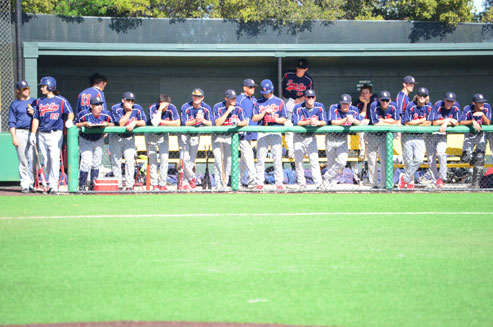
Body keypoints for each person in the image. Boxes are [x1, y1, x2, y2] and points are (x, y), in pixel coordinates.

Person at [31, 76, 74, 194]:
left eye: (43, 86)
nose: (41, 88)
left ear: (50, 86)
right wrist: (33, 134)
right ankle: (50, 183)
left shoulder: (61, 100)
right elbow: (36, 118)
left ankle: (54, 186)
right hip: (42, 133)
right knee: (46, 159)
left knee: (54, 159)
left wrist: (69, 120)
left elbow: (70, 113)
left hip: (55, 133)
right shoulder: (39, 101)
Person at [325, 94, 368, 188]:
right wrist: (345, 119)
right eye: (343, 103)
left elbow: (360, 122)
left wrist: (353, 120)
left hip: (343, 138)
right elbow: (333, 122)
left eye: (346, 104)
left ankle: (326, 177)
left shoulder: (354, 109)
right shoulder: (334, 107)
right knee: (331, 162)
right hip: (331, 136)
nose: (344, 106)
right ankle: (330, 183)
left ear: (350, 103)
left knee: (342, 161)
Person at [252, 79, 287, 190]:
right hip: (262, 131)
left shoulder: (279, 101)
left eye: (267, 92)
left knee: (277, 158)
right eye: (264, 92)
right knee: (260, 158)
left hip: (275, 131)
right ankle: (259, 182)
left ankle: (279, 182)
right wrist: (264, 113)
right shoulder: (258, 102)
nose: (266, 94)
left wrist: (275, 119)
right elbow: (254, 118)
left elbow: (284, 119)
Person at [75, 95, 114, 190]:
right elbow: (75, 124)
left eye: (100, 104)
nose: (99, 106)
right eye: (97, 105)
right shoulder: (84, 114)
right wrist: (85, 124)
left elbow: (113, 124)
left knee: (96, 163)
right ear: (91, 106)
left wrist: (106, 124)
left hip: (99, 139)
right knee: (86, 162)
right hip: (86, 139)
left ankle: (93, 185)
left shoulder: (106, 114)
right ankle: (82, 185)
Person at [110, 92, 147, 191]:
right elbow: (120, 124)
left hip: (129, 138)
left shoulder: (138, 108)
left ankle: (129, 185)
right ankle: (118, 184)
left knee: (130, 161)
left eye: (132, 100)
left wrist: (135, 122)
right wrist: (129, 112)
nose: (130, 102)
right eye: (128, 100)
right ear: (123, 100)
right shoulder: (116, 108)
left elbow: (144, 122)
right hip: (116, 137)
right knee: (116, 161)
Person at [213, 89, 248, 191]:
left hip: (230, 137)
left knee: (228, 162)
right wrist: (228, 111)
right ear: (226, 98)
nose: (233, 100)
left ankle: (224, 184)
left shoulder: (239, 107)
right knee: (219, 160)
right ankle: (218, 185)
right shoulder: (218, 107)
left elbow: (245, 121)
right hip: (218, 137)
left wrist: (239, 123)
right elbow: (218, 123)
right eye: (231, 98)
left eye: (234, 98)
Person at [398, 87, 433, 189]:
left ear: (427, 97)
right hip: (407, 135)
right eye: (420, 95)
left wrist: (416, 124)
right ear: (417, 96)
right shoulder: (410, 105)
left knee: (418, 159)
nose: (422, 97)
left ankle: (404, 178)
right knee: (408, 161)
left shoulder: (429, 106)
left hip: (419, 136)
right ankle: (410, 183)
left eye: (424, 96)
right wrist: (422, 120)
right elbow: (407, 123)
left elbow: (429, 123)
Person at [292, 89, 326, 191]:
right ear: (305, 98)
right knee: (298, 162)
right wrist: (309, 121)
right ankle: (302, 183)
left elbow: (324, 121)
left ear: (315, 98)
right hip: (298, 136)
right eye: (308, 97)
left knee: (314, 161)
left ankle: (318, 184)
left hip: (311, 137)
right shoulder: (298, 107)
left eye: (312, 97)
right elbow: (296, 122)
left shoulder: (319, 106)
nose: (310, 99)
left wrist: (317, 122)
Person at [426, 91, 460, 188]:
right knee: (430, 158)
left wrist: (446, 122)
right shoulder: (438, 104)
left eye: (451, 101)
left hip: (442, 135)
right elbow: (434, 122)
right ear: (444, 100)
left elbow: (457, 122)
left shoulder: (456, 106)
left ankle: (442, 178)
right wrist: (447, 120)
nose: (449, 103)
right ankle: (435, 179)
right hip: (430, 135)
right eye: (447, 101)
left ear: (454, 102)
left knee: (441, 154)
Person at [180, 88, 213, 190]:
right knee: (185, 159)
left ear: (202, 98)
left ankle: (186, 182)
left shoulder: (206, 108)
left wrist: (203, 120)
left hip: (195, 135)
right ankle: (192, 178)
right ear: (192, 96)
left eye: (199, 96)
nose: (196, 98)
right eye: (194, 96)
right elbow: (183, 123)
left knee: (191, 160)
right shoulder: (186, 107)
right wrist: (195, 121)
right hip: (184, 135)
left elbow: (211, 123)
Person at [147, 94, 180, 191]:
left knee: (164, 159)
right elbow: (155, 123)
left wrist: (162, 121)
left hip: (164, 134)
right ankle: (154, 184)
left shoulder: (171, 108)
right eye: (163, 105)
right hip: (151, 134)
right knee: (152, 160)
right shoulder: (153, 107)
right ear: (159, 103)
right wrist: (160, 109)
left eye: (167, 105)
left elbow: (177, 123)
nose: (166, 108)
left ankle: (162, 184)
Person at [281, 58, 314, 159]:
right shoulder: (288, 74)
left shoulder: (308, 80)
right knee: (289, 127)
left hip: (300, 105)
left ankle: (305, 150)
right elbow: (280, 88)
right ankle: (291, 151)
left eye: (302, 68)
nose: (299, 69)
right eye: (298, 67)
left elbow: (310, 95)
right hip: (287, 102)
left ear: (306, 69)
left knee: (302, 128)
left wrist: (301, 99)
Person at [367, 90, 399, 189]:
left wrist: (383, 121)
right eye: (382, 100)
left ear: (390, 100)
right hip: (372, 135)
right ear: (379, 100)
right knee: (372, 160)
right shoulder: (374, 105)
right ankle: (374, 184)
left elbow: (397, 121)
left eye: (387, 100)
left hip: (385, 136)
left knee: (385, 160)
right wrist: (390, 122)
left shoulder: (393, 106)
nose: (385, 102)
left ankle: (385, 183)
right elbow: (375, 123)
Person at [8, 80, 36, 193]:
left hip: (33, 131)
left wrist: (34, 113)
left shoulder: (34, 101)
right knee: (23, 159)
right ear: (18, 91)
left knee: (32, 159)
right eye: (24, 89)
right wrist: (13, 137)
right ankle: (24, 184)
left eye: (27, 88)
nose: (26, 90)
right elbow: (12, 122)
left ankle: (31, 183)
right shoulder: (14, 104)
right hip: (20, 132)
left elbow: (40, 117)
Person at [460, 93, 491, 188]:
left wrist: (482, 115)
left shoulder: (486, 108)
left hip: (481, 135)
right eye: (479, 102)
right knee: (466, 157)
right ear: (474, 103)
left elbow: (488, 122)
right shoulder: (467, 108)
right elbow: (461, 122)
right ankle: (474, 156)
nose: (482, 104)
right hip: (470, 135)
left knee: (480, 158)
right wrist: (472, 121)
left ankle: (475, 184)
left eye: (482, 102)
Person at [236, 78, 258, 188]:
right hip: (242, 133)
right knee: (249, 155)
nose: (253, 89)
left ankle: (236, 179)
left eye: (254, 87)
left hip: (251, 132)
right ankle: (253, 179)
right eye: (251, 87)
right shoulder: (239, 99)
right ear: (244, 88)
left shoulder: (254, 99)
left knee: (245, 159)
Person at [354, 84, 377, 160]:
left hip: (371, 126)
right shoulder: (357, 103)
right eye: (362, 93)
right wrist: (365, 103)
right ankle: (362, 152)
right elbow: (360, 117)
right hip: (360, 127)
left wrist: (368, 121)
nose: (364, 95)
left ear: (370, 94)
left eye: (366, 93)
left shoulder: (374, 104)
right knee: (362, 127)